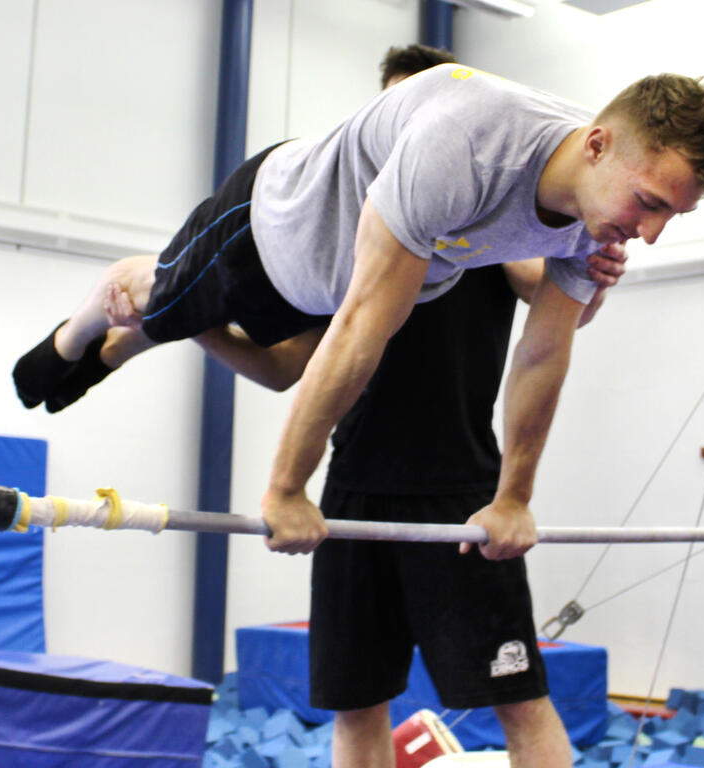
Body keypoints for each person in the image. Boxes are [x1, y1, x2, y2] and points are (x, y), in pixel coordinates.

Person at [9, 61, 704, 561]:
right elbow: (364, 328)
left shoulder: (595, 210)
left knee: (275, 369)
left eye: (673, 215)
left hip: (333, 282)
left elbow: (544, 350)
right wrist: (287, 488)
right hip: (268, 230)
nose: (652, 231)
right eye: (651, 204)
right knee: (154, 300)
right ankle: (87, 327)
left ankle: (145, 334)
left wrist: (513, 499)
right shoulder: (468, 146)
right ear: (598, 146)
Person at [187, 46, 585, 768]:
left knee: (521, 702)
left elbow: (553, 299)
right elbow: (284, 369)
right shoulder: (344, 243)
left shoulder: (493, 234)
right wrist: (204, 328)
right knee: (356, 706)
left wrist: (596, 261)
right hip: (353, 497)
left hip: (462, 494)